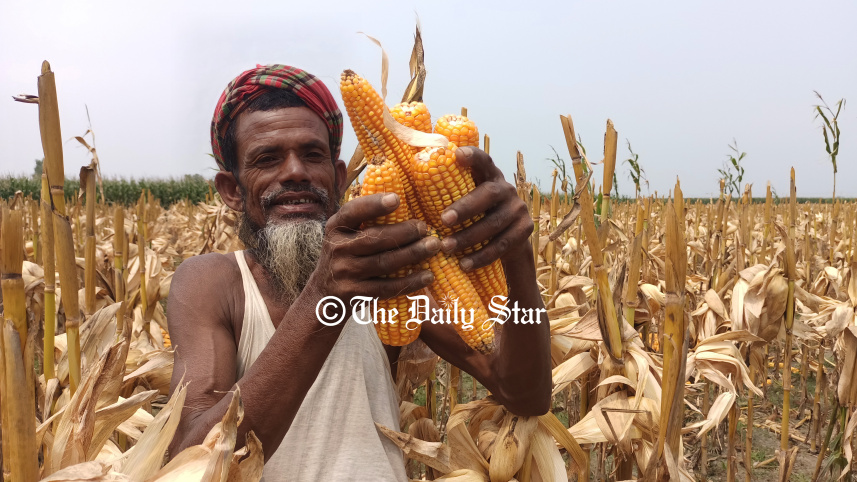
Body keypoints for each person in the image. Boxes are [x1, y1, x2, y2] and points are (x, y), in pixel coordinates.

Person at [167, 64, 550, 481]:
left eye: (313, 155)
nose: (295, 171)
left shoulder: (390, 281)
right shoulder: (213, 283)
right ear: (232, 191)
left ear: (339, 177)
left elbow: (524, 393)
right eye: (267, 159)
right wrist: (324, 296)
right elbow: (192, 460)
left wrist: (517, 258)